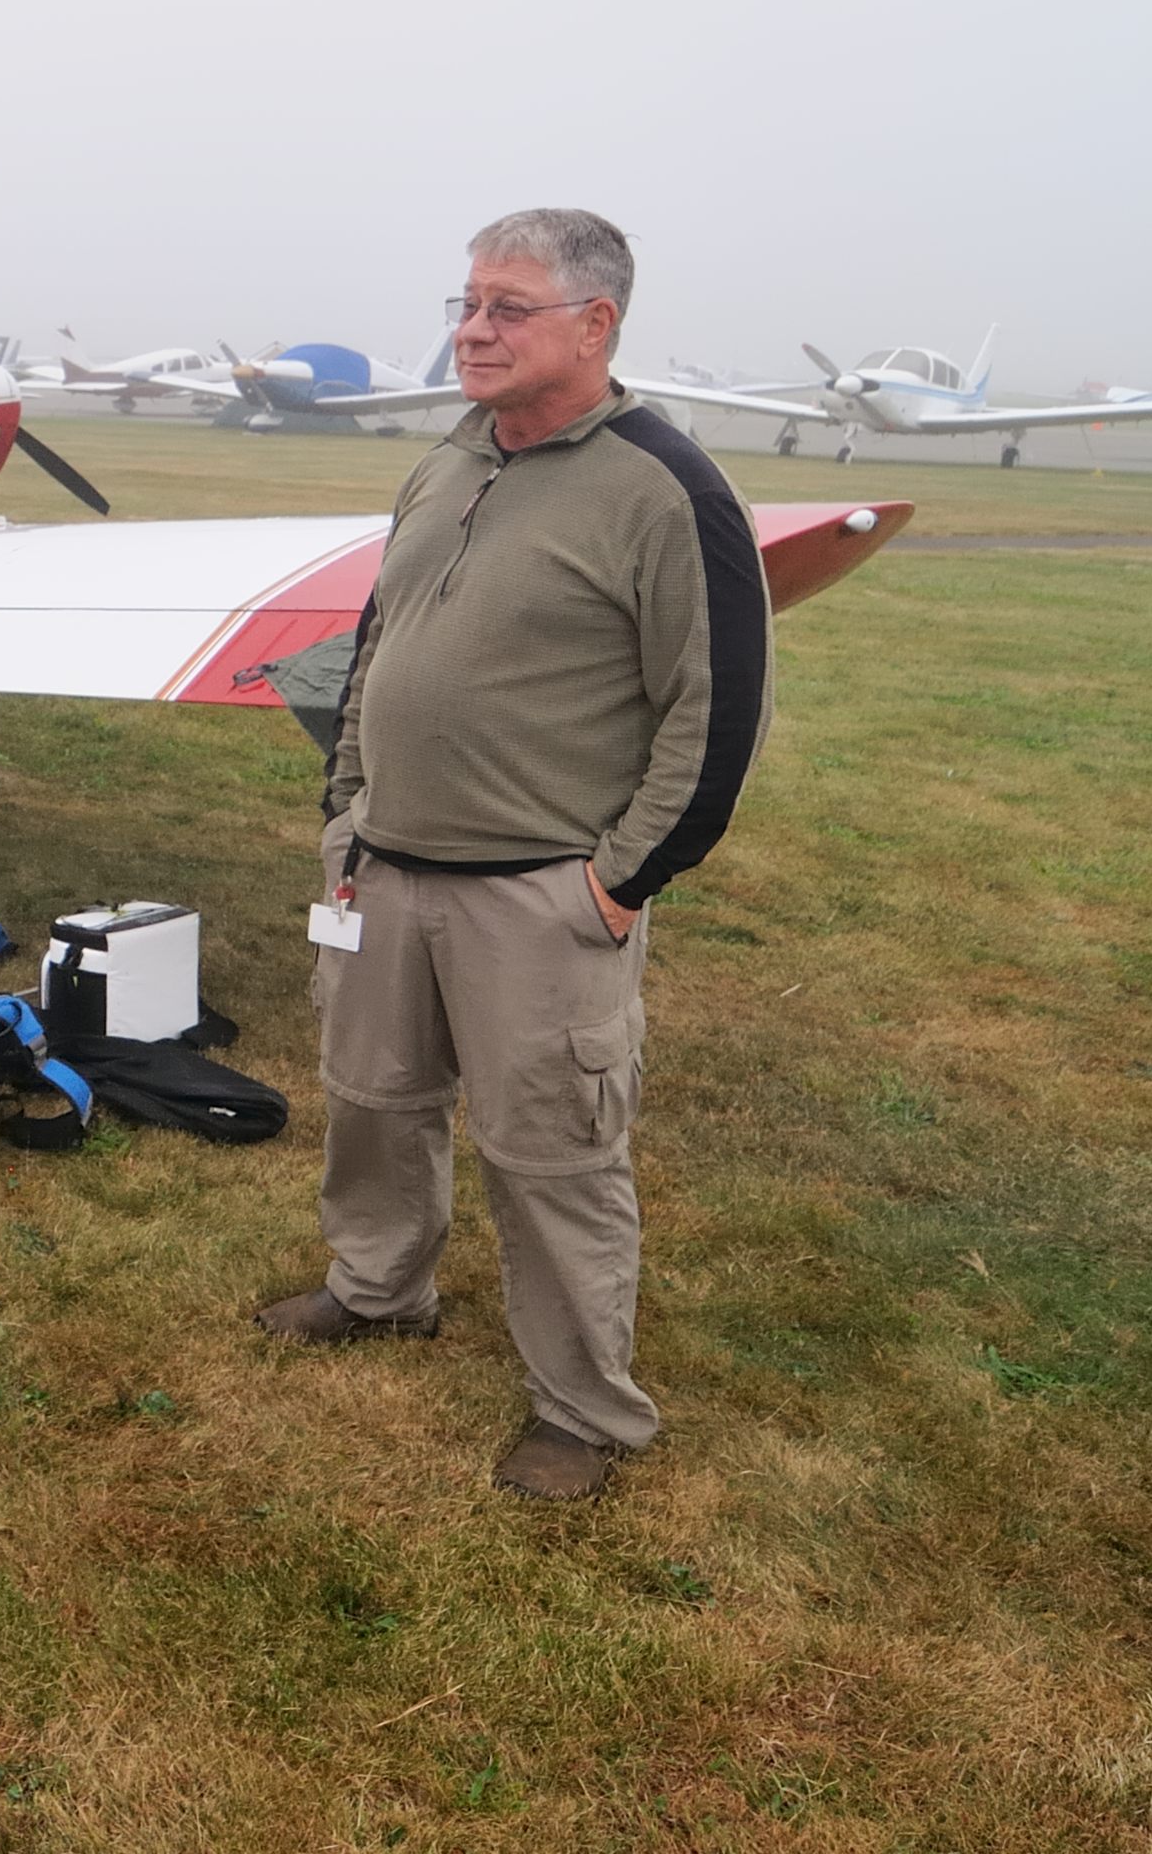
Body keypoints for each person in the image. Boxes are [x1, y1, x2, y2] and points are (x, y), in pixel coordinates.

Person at [261, 208, 770, 1503]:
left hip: (543, 896)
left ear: (596, 325)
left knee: (552, 1156)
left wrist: (618, 880)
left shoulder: (667, 488)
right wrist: (348, 814)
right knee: (372, 1104)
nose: (470, 331)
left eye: (507, 308)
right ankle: (380, 1291)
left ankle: (585, 1411)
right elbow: (379, 644)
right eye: (466, 303)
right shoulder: (449, 460)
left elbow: (715, 711)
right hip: (384, 869)